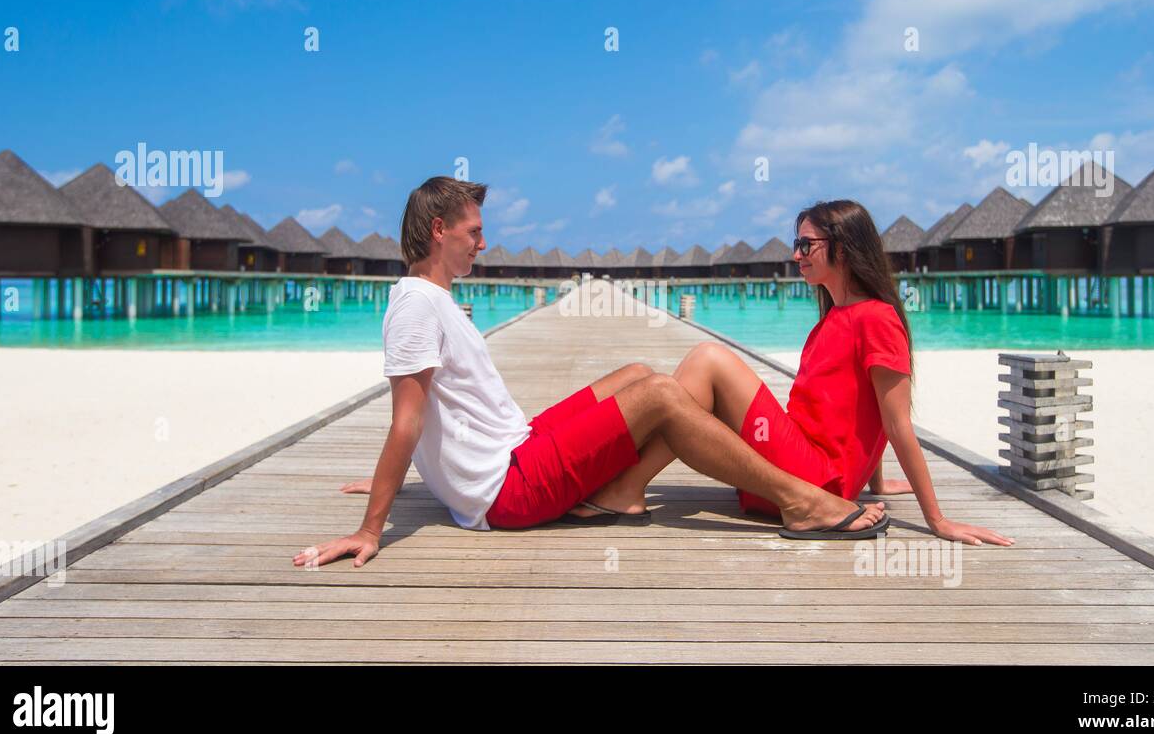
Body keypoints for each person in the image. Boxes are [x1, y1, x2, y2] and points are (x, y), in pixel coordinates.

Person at [292, 178, 886, 569]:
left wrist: (401, 482)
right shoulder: (418, 305)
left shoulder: (433, 300)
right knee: (657, 393)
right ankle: (801, 501)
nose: (483, 242)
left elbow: (435, 417)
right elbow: (407, 420)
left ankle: (622, 493)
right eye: (473, 232)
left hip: (519, 447)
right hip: (509, 490)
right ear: (438, 231)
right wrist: (373, 527)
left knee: (635, 371)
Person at [564, 199, 1015, 547]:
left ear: (845, 248)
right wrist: (874, 483)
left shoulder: (877, 318)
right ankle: (622, 484)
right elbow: (862, 412)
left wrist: (936, 519)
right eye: (796, 244)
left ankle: (624, 484)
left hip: (815, 482)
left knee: (708, 359)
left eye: (806, 245)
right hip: (798, 472)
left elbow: (896, 422)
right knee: (689, 397)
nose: (796, 254)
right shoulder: (833, 318)